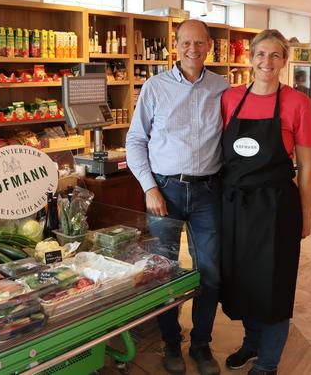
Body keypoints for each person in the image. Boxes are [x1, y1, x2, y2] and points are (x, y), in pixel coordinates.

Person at [126, 19, 228, 375]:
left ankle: (202, 344)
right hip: (165, 190)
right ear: (176, 44)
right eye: (186, 42)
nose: (193, 49)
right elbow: (136, 140)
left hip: (208, 191)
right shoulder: (155, 87)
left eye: (200, 43)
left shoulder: (223, 87)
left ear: (209, 45)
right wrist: (149, 187)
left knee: (211, 272)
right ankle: (171, 341)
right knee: (163, 272)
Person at [219, 29, 311, 375]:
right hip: (236, 206)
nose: (267, 62)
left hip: (277, 208)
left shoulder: (297, 102)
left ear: (285, 62)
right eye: (261, 54)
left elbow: (305, 165)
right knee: (243, 279)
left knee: (274, 283)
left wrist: (306, 217)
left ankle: (269, 360)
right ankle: (252, 342)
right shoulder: (230, 99)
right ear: (250, 57)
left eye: (275, 56)